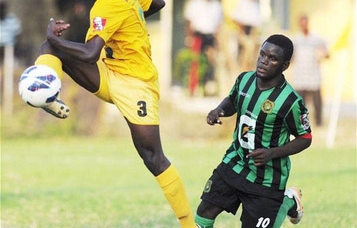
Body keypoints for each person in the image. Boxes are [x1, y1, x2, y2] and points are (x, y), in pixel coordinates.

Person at [30, 0, 195, 227]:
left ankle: (188, 224)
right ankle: (46, 94)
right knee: (50, 50)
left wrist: (54, 38)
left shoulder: (106, 5)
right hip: (110, 73)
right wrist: (129, 21)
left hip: (137, 84)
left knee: (153, 158)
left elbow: (90, 53)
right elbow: (158, 3)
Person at [195, 34, 312, 227]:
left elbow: (305, 137)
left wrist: (271, 153)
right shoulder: (245, 80)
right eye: (262, 54)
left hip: (266, 179)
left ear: (284, 66)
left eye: (272, 58)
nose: (264, 61)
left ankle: (288, 201)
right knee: (203, 214)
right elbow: (233, 101)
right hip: (235, 162)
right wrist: (220, 110)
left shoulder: (291, 101)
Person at [291, 14, 329, 127]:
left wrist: (323, 54)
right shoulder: (296, 40)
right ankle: (301, 123)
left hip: (313, 73)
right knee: (300, 101)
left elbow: (326, 53)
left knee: (317, 100)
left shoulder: (317, 39)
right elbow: (292, 57)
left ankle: (319, 121)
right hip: (300, 74)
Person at [183, 0, 223, 96]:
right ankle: (193, 89)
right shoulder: (194, 3)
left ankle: (207, 87)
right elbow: (188, 22)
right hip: (197, 35)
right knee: (195, 62)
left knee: (211, 62)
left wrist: (219, 41)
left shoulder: (216, 5)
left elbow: (219, 25)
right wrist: (189, 37)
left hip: (211, 36)